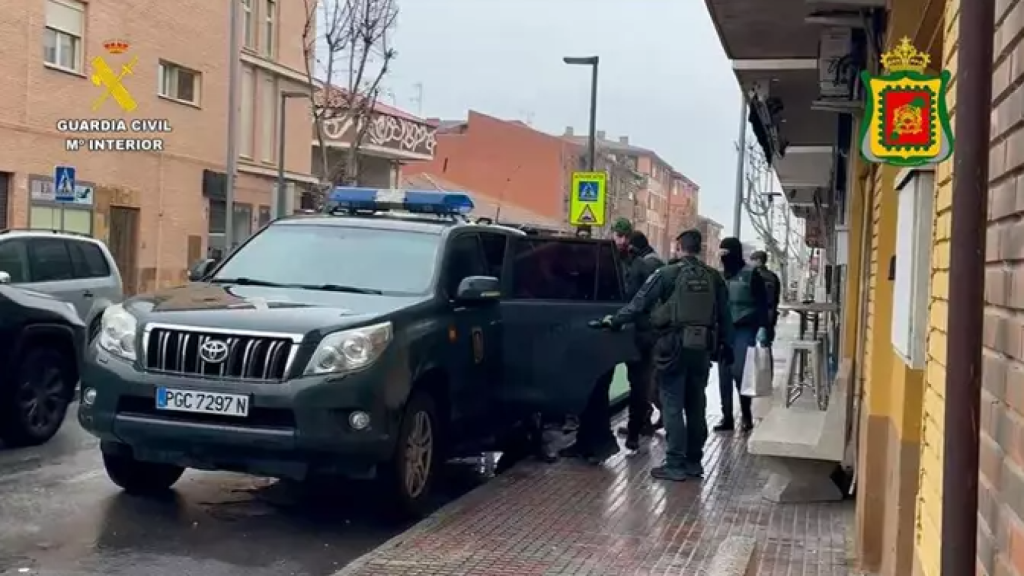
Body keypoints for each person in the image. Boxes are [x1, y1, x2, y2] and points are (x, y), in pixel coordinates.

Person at [595, 229, 733, 482]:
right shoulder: (714, 277)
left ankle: (675, 462)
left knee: (671, 404)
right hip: (702, 347)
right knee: (696, 404)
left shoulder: (667, 274)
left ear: (679, 247)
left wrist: (614, 321)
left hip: (672, 347)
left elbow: (638, 304)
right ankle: (694, 462)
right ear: (699, 249)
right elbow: (725, 316)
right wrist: (727, 347)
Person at [613, 224, 666, 450]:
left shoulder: (634, 267)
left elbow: (634, 300)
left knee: (639, 382)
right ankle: (636, 429)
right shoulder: (651, 266)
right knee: (640, 383)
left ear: (625, 241)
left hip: (635, 331)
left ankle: (636, 429)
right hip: (648, 331)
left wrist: (617, 319)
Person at [715, 237, 772, 433]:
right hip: (723, 330)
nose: (723, 258)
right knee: (723, 375)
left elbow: (763, 304)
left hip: (744, 328)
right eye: (720, 254)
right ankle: (727, 417)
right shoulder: (720, 276)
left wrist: (764, 327)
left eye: (726, 254)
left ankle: (746, 414)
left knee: (740, 373)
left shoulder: (751, 275)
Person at [749, 250, 781, 353]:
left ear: (758, 261)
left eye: (752, 260)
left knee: (751, 347)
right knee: (766, 347)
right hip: (770, 314)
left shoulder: (753, 276)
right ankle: (767, 368)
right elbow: (776, 297)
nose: (751, 263)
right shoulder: (773, 277)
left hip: (755, 314)